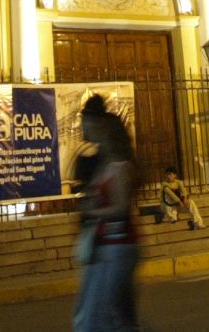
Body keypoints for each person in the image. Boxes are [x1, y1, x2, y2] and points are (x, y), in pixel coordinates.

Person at [74, 104, 139, 332]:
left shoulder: (120, 167)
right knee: (112, 313)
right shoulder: (105, 164)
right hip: (106, 245)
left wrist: (92, 211)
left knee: (114, 313)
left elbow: (121, 207)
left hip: (120, 245)